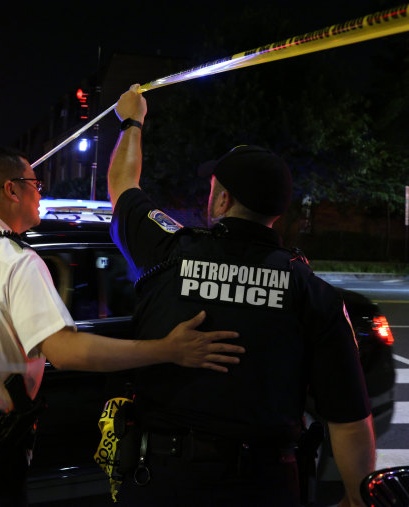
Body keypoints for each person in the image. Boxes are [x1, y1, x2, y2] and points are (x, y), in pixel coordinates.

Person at [0, 147, 245, 506]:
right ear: (11, 190)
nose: (40, 192)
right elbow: (64, 352)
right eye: (35, 183)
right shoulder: (17, 262)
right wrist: (167, 349)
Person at [107, 84, 376, 506]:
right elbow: (348, 420)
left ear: (222, 199)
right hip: (264, 485)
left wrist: (133, 121)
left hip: (162, 479)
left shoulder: (168, 252)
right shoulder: (315, 295)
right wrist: (359, 501)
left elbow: (123, 187)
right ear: (278, 210)